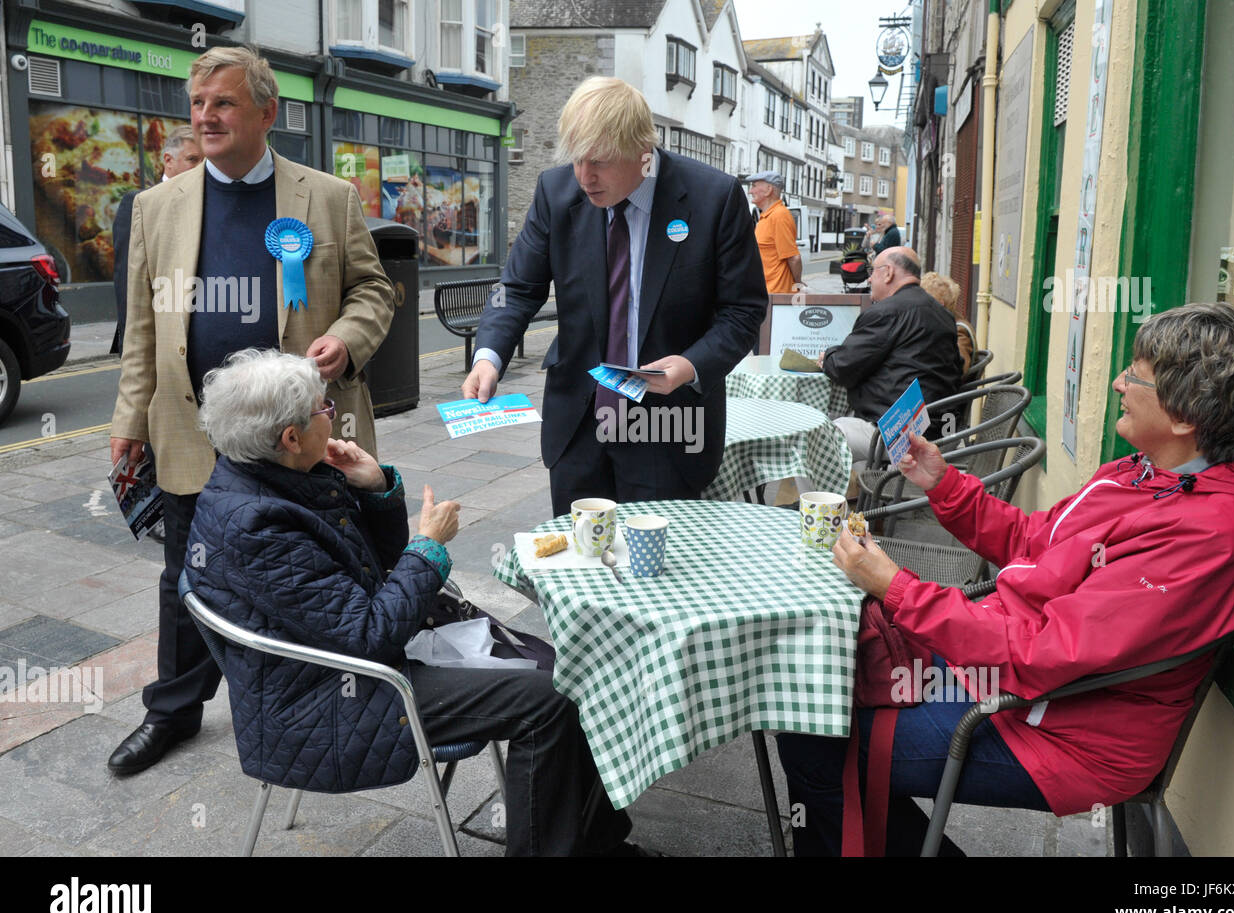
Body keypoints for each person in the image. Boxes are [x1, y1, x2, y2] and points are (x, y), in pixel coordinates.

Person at [779, 303, 1234, 855]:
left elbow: (1044, 652)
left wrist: (897, 589)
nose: (1120, 381)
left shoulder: (1207, 537)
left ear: (1183, 419)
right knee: (816, 696)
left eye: (1137, 375)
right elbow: (1035, 542)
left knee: (819, 743)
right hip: (1005, 671)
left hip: (1060, 732)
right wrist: (944, 484)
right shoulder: (1145, 472)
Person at [184, 349, 632, 856]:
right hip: (328, 698)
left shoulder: (272, 476)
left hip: (348, 661)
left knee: (570, 671)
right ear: (290, 437)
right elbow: (369, 634)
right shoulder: (256, 524)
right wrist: (430, 548)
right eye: (323, 409)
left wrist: (375, 489)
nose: (332, 415)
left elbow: (375, 569)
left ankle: (598, 841)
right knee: (552, 700)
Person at [107, 45, 394, 776]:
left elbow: (374, 292)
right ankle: (172, 710)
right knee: (185, 574)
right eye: (199, 104)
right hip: (192, 429)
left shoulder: (327, 197)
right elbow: (143, 327)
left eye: (224, 103)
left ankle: (335, 695)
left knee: (317, 565)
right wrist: (127, 421)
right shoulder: (155, 206)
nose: (206, 116)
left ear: (267, 112)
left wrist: (345, 339)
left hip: (301, 437)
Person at [461, 76, 767, 515]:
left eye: (600, 162)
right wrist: (488, 356)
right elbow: (516, 288)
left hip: (668, 427)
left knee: (656, 576)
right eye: (577, 159)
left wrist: (690, 365)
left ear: (644, 151)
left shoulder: (713, 198)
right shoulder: (555, 191)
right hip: (579, 427)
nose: (585, 177)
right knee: (580, 567)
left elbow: (743, 310)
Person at [815, 247, 963, 470]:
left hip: (899, 434)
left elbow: (842, 368)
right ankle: (848, 497)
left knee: (816, 438)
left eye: (872, 271)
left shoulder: (887, 312)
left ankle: (818, 504)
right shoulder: (944, 315)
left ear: (888, 272)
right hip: (940, 429)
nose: (869, 278)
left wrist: (828, 357)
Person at [109, 125, 203, 355]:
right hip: (159, 341)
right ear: (168, 161)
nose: (201, 168)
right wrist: (133, 349)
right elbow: (127, 282)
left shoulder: (209, 203)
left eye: (205, 162)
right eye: (193, 159)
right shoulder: (139, 203)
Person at [743, 170, 804, 295]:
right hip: (766, 294)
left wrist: (798, 284)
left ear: (768, 190)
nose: (750, 191)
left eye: (754, 186)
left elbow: (794, 258)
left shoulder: (779, 216)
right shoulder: (767, 216)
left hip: (776, 297)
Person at [920, 271, 974, 376]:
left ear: (939, 304)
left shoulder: (959, 330)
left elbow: (957, 366)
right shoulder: (939, 323)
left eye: (923, 302)